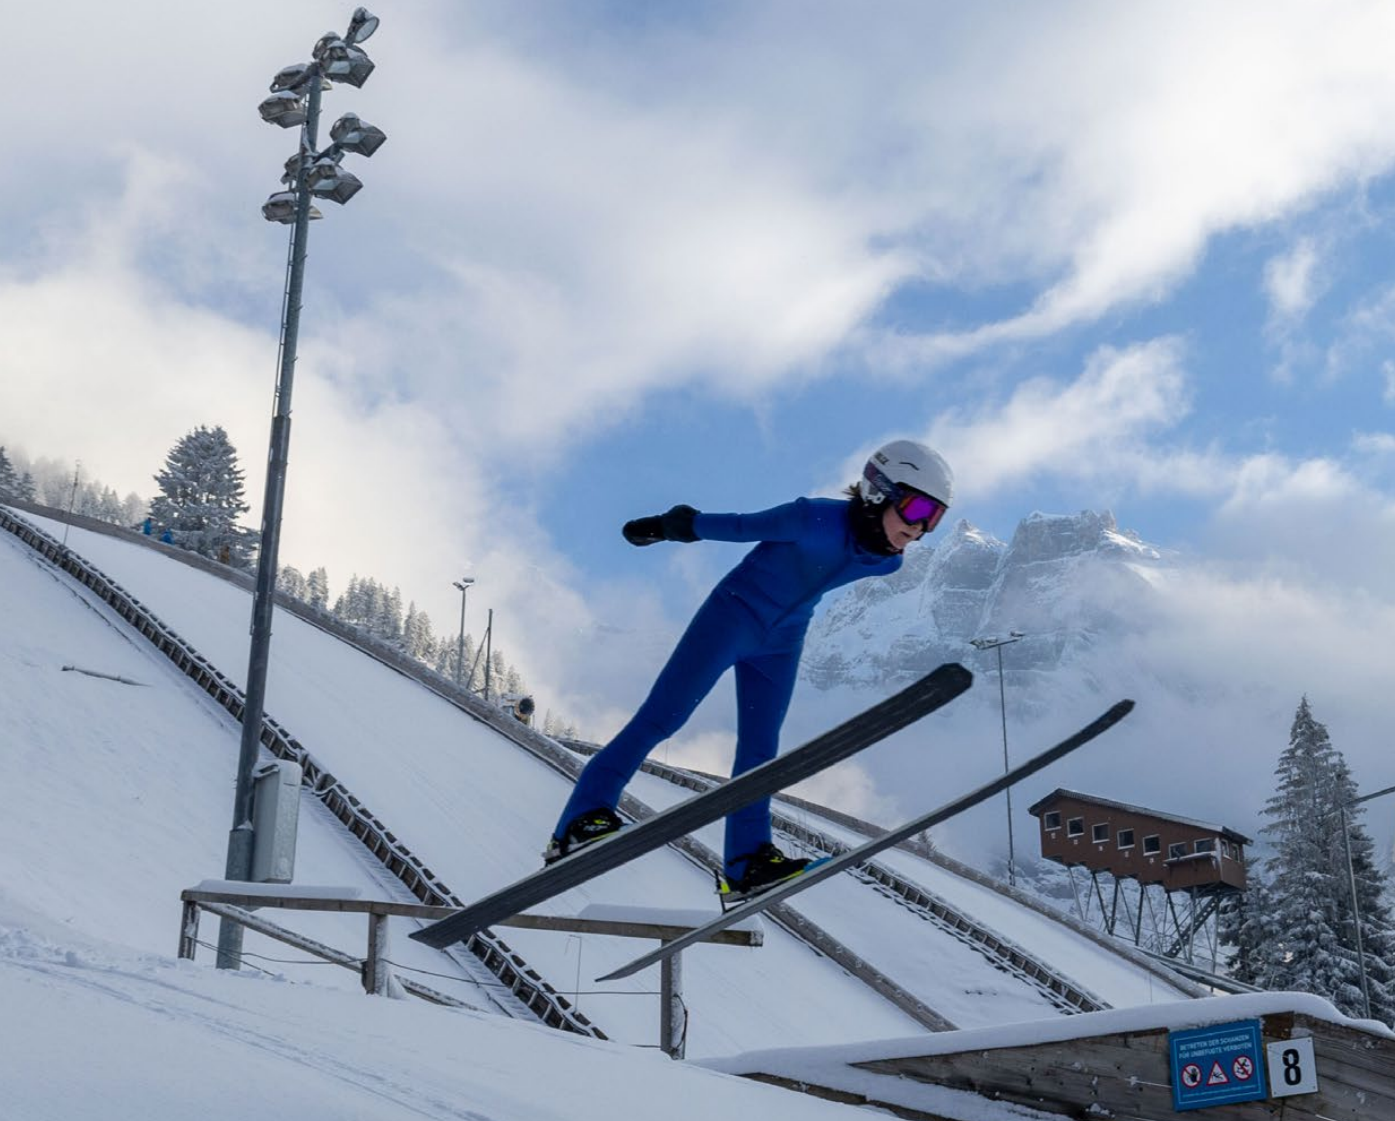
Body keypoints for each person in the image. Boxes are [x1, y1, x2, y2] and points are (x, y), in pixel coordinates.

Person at [548, 439, 955, 901]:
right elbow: (743, 527)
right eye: (917, 507)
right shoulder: (812, 517)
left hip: (783, 641)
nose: (921, 527)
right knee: (663, 716)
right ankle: (580, 822)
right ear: (878, 489)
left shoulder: (886, 562)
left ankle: (746, 865)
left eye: (935, 518)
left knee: (762, 750)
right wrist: (671, 525)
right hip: (733, 617)